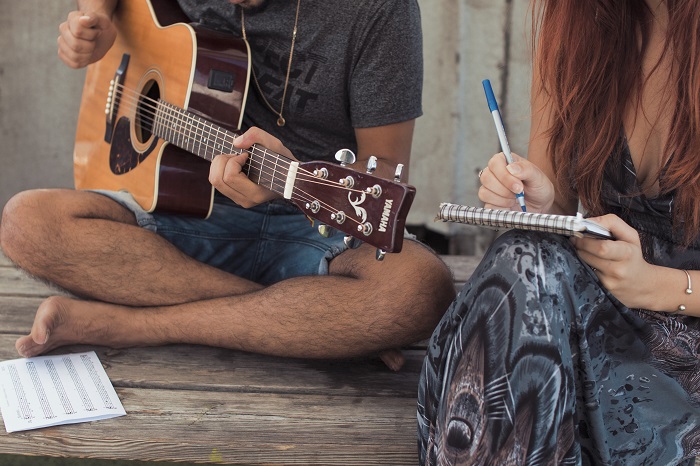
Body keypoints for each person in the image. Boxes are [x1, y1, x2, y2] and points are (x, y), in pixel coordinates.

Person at [0, 0, 456, 372]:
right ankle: (296, 317)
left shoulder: (379, 9)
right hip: (188, 209)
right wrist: (96, 18)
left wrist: (290, 175)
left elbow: (387, 172)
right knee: (26, 222)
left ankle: (130, 323)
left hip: (317, 225)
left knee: (418, 287)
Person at [418, 0, 700, 464]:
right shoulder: (579, 16)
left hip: (684, 334)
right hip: (606, 307)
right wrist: (537, 198)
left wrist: (659, 286)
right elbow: (558, 201)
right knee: (523, 257)